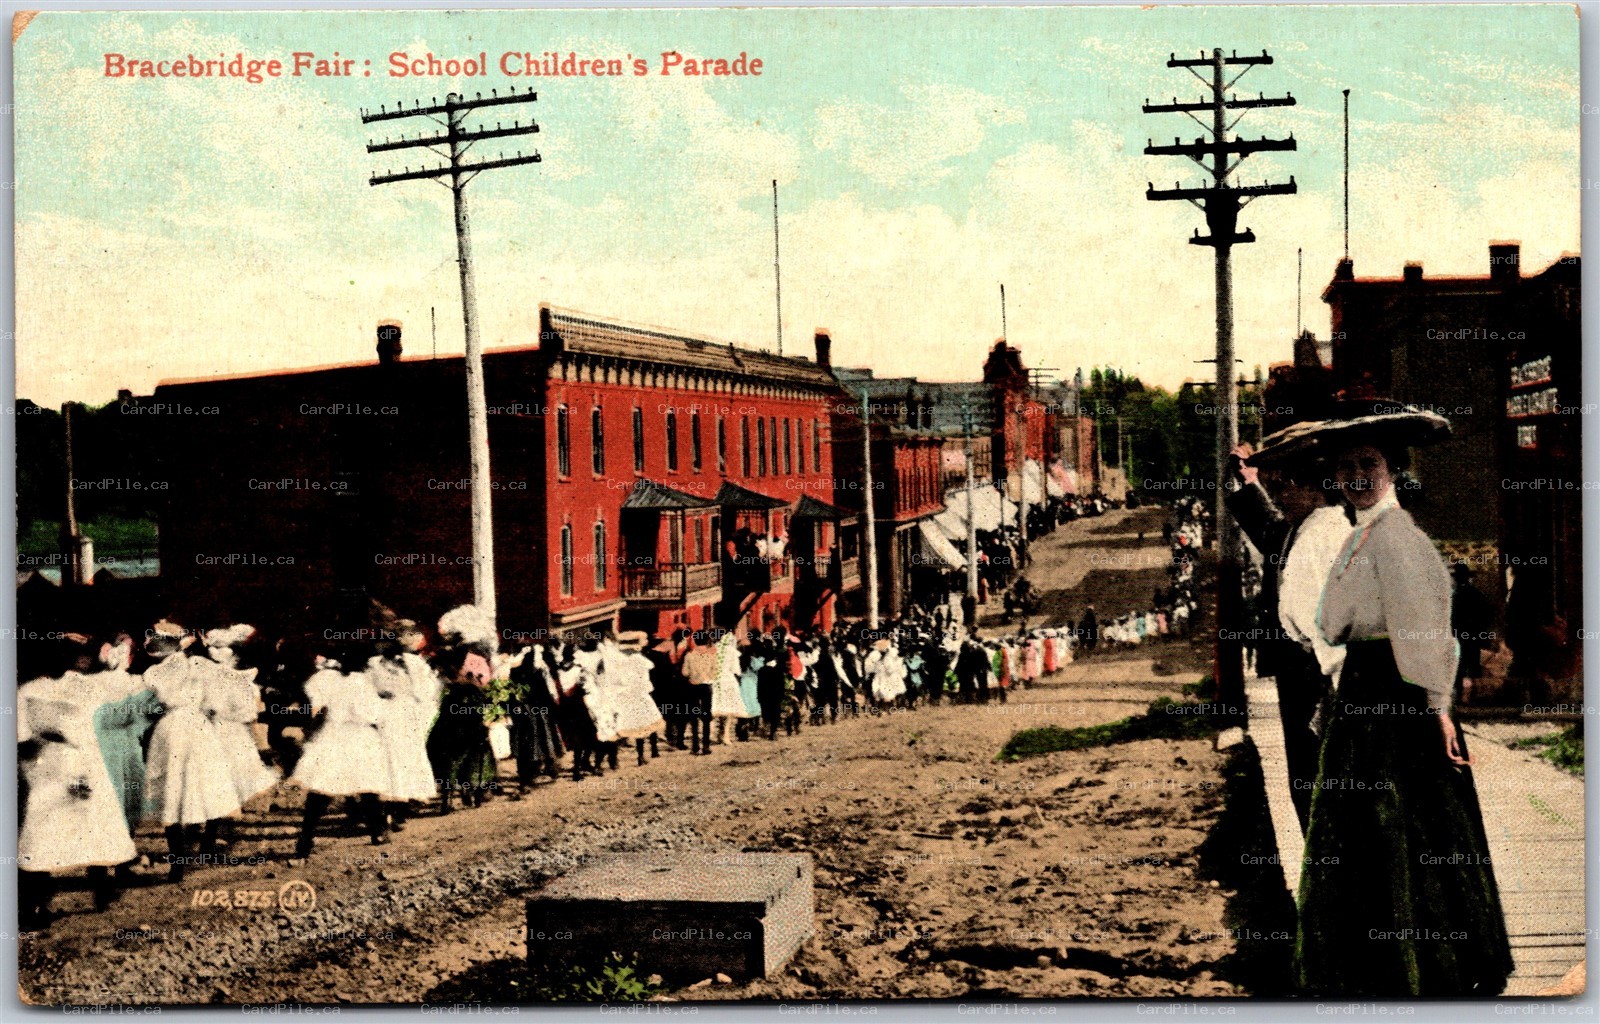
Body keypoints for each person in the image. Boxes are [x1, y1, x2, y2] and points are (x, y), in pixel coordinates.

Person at [1295, 435, 1512, 998]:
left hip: (1401, 692)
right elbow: (1329, 623)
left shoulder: (1398, 539)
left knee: (1404, 822)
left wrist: (1438, 710)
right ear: (1335, 478)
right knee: (1367, 823)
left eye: (1370, 464)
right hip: (1366, 691)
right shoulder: (1359, 538)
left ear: (1393, 470)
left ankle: (1423, 965)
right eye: (1347, 467)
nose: (1359, 476)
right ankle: (1377, 963)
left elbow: (1427, 633)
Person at [1230, 440, 1348, 831]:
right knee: (1304, 769)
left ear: (1315, 489)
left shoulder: (1327, 532)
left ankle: (1325, 861)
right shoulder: (1298, 530)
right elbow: (1269, 529)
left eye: (1284, 487)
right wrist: (1249, 484)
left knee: (1317, 769)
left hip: (1318, 671)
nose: (1278, 496)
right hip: (1299, 668)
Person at [291, 649, 390, 858]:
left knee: (321, 789)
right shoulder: (364, 683)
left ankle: (305, 838)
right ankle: (377, 831)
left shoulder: (327, 680)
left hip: (331, 734)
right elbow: (372, 714)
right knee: (367, 786)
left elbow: (317, 706)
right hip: (359, 735)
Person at [1450, 563, 1495, 706]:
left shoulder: (1454, 596)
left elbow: (1450, 618)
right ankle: (1477, 696)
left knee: (1459, 667)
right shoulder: (1478, 594)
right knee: (1474, 665)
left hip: (1460, 637)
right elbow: (1488, 615)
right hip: (1475, 636)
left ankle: (1459, 697)